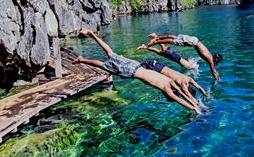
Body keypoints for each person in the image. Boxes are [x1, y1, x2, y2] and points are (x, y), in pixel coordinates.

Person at [73, 29, 201, 114]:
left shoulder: (170, 81)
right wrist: (194, 108)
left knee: (110, 53)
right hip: (130, 71)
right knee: (104, 65)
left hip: (136, 65)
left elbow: (182, 93)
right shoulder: (166, 88)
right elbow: (180, 99)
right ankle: (82, 59)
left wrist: (194, 103)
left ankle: (93, 35)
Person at [146, 33, 222, 80]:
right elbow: (213, 71)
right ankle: (156, 41)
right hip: (192, 42)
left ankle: (156, 37)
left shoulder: (209, 55)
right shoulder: (210, 60)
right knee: (173, 41)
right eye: (216, 63)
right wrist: (217, 78)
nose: (215, 64)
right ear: (215, 60)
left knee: (174, 38)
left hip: (195, 40)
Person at [140, 59, 210, 104]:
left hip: (158, 65)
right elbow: (189, 96)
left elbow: (199, 88)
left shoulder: (189, 79)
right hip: (153, 67)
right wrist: (196, 104)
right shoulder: (183, 84)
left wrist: (207, 95)